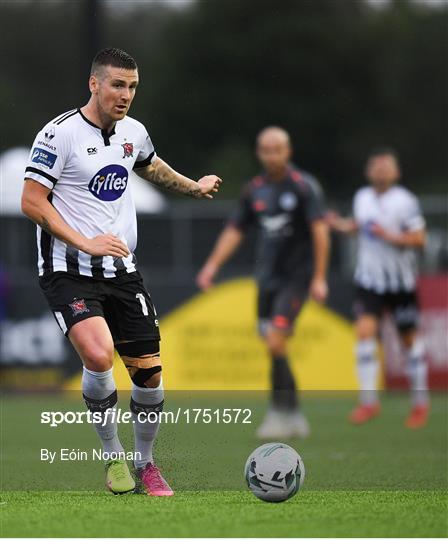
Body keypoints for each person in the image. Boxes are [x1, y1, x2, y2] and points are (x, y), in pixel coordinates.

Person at [21, 48, 222, 496]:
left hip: (122, 269)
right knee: (98, 355)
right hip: (67, 269)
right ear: (94, 84)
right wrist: (83, 241)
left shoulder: (133, 131)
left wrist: (193, 186)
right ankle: (112, 457)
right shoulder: (59, 135)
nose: (125, 94)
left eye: (132, 86)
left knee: (149, 377)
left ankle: (146, 464)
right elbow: (32, 201)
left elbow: (148, 165)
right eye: (117, 84)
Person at [196, 127, 329, 439]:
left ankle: (280, 412)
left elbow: (321, 232)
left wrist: (319, 278)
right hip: (267, 281)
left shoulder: (303, 187)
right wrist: (212, 266)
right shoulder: (254, 189)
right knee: (273, 346)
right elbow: (235, 230)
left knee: (276, 341)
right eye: (266, 150)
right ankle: (292, 413)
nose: (272, 156)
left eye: (277, 149)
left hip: (296, 278)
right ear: (259, 153)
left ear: (288, 151)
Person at [327, 148, 429, 429]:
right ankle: (369, 402)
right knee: (364, 333)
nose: (381, 171)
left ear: (395, 172)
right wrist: (338, 225)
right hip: (369, 281)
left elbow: (420, 239)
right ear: (369, 172)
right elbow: (359, 227)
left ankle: (420, 404)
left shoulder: (405, 201)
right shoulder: (362, 197)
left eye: (387, 167)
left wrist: (391, 236)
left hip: (400, 283)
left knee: (409, 342)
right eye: (376, 167)